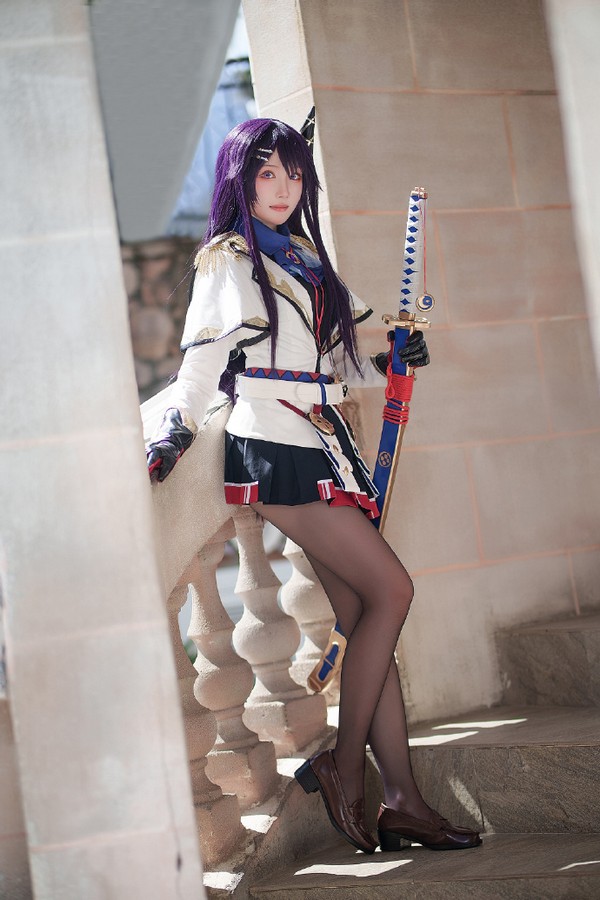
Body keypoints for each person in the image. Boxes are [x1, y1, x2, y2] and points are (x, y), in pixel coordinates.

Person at [146, 117, 481, 855]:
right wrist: (173, 433)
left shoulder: (302, 255)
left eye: (293, 173)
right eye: (267, 172)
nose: (283, 187)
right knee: (393, 591)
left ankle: (403, 801)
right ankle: (341, 764)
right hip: (273, 445)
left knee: (363, 614)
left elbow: (341, 357)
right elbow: (201, 366)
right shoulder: (229, 261)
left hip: (323, 442)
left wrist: (393, 353)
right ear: (240, 180)